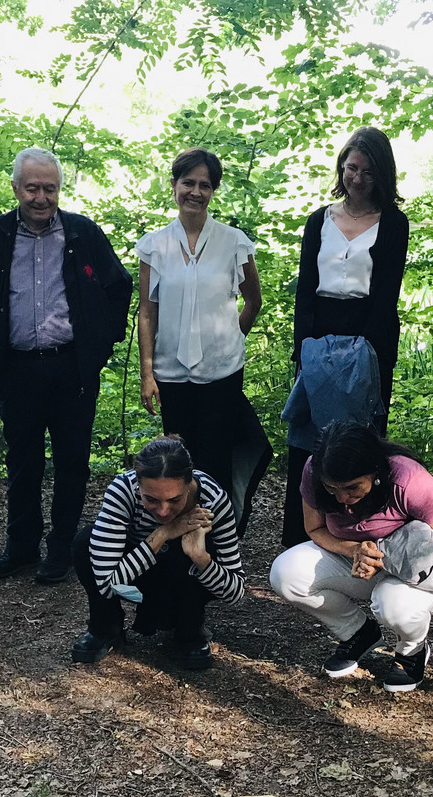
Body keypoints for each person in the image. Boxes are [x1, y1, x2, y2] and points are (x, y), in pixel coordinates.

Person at [0, 147, 134, 584]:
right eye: (32, 188)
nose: (41, 197)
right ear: (15, 188)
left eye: (49, 188)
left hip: (73, 367)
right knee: (22, 460)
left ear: (59, 189)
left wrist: (100, 345)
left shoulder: (82, 233)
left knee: (73, 461)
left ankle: (63, 549)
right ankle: (21, 547)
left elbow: (120, 286)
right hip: (17, 368)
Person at [269, 422, 433, 689]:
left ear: (374, 471)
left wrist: (387, 555)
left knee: (393, 604)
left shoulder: (408, 479)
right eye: (331, 489)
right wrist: (354, 549)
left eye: (352, 487)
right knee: (286, 573)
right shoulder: (315, 470)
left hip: (416, 568)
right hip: (362, 558)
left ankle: (411, 650)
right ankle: (357, 633)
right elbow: (315, 529)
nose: (341, 498)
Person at [284, 127, 410, 548]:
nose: (357, 178)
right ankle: (302, 534)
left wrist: (366, 351)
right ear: (341, 167)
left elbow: (386, 293)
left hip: (368, 335)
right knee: (309, 436)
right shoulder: (319, 219)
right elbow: (305, 287)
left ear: (382, 175)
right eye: (351, 168)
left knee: (359, 440)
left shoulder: (393, 223)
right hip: (318, 333)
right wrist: (304, 347)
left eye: (368, 172)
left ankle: (360, 534)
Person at [136, 148, 270, 532]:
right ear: (174, 185)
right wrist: (147, 373)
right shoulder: (154, 246)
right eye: (188, 183)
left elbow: (253, 300)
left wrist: (231, 340)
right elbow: (147, 312)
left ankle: (220, 539)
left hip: (221, 373)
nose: (195, 192)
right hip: (171, 373)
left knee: (217, 459)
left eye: (205, 185)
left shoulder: (234, 242)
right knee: (179, 461)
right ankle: (181, 534)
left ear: (214, 190)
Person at [70, 436, 246, 671]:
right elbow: (107, 585)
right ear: (138, 485)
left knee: (198, 547)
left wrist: (201, 559)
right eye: (151, 499)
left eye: (175, 500)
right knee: (86, 542)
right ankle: (105, 626)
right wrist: (163, 534)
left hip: (183, 579)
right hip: (137, 575)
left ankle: (189, 628)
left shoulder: (214, 499)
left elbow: (236, 592)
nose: (163, 511)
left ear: (189, 483)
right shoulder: (122, 490)